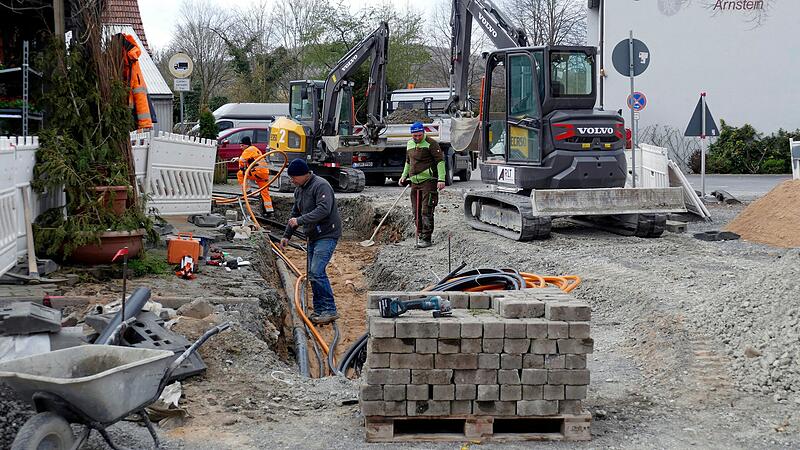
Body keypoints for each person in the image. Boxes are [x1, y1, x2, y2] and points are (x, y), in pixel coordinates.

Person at [280, 159, 341, 324]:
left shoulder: (321, 185)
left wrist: (300, 221)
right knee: (314, 273)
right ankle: (320, 309)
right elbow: (295, 211)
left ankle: (329, 309)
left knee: (316, 271)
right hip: (313, 235)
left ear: (304, 174)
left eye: (294, 177)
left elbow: (323, 209)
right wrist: (287, 235)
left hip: (327, 234)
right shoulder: (299, 189)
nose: (292, 181)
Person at [398, 121, 445, 248]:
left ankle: (426, 238)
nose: (417, 138)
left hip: (428, 181)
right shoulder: (409, 144)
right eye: (415, 136)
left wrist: (441, 179)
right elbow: (408, 162)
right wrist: (403, 176)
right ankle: (419, 234)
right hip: (414, 182)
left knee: (426, 210)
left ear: (423, 133)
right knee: (416, 210)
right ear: (411, 135)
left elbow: (440, 162)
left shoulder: (431, 143)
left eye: (419, 135)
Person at [236, 136, 274, 213]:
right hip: (264, 174)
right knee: (265, 192)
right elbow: (250, 160)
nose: (241, 147)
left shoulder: (248, 150)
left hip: (257, 173)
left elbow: (241, 163)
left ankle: (247, 191)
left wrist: (239, 162)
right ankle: (269, 211)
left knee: (240, 174)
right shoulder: (255, 149)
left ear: (246, 145)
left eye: (242, 145)